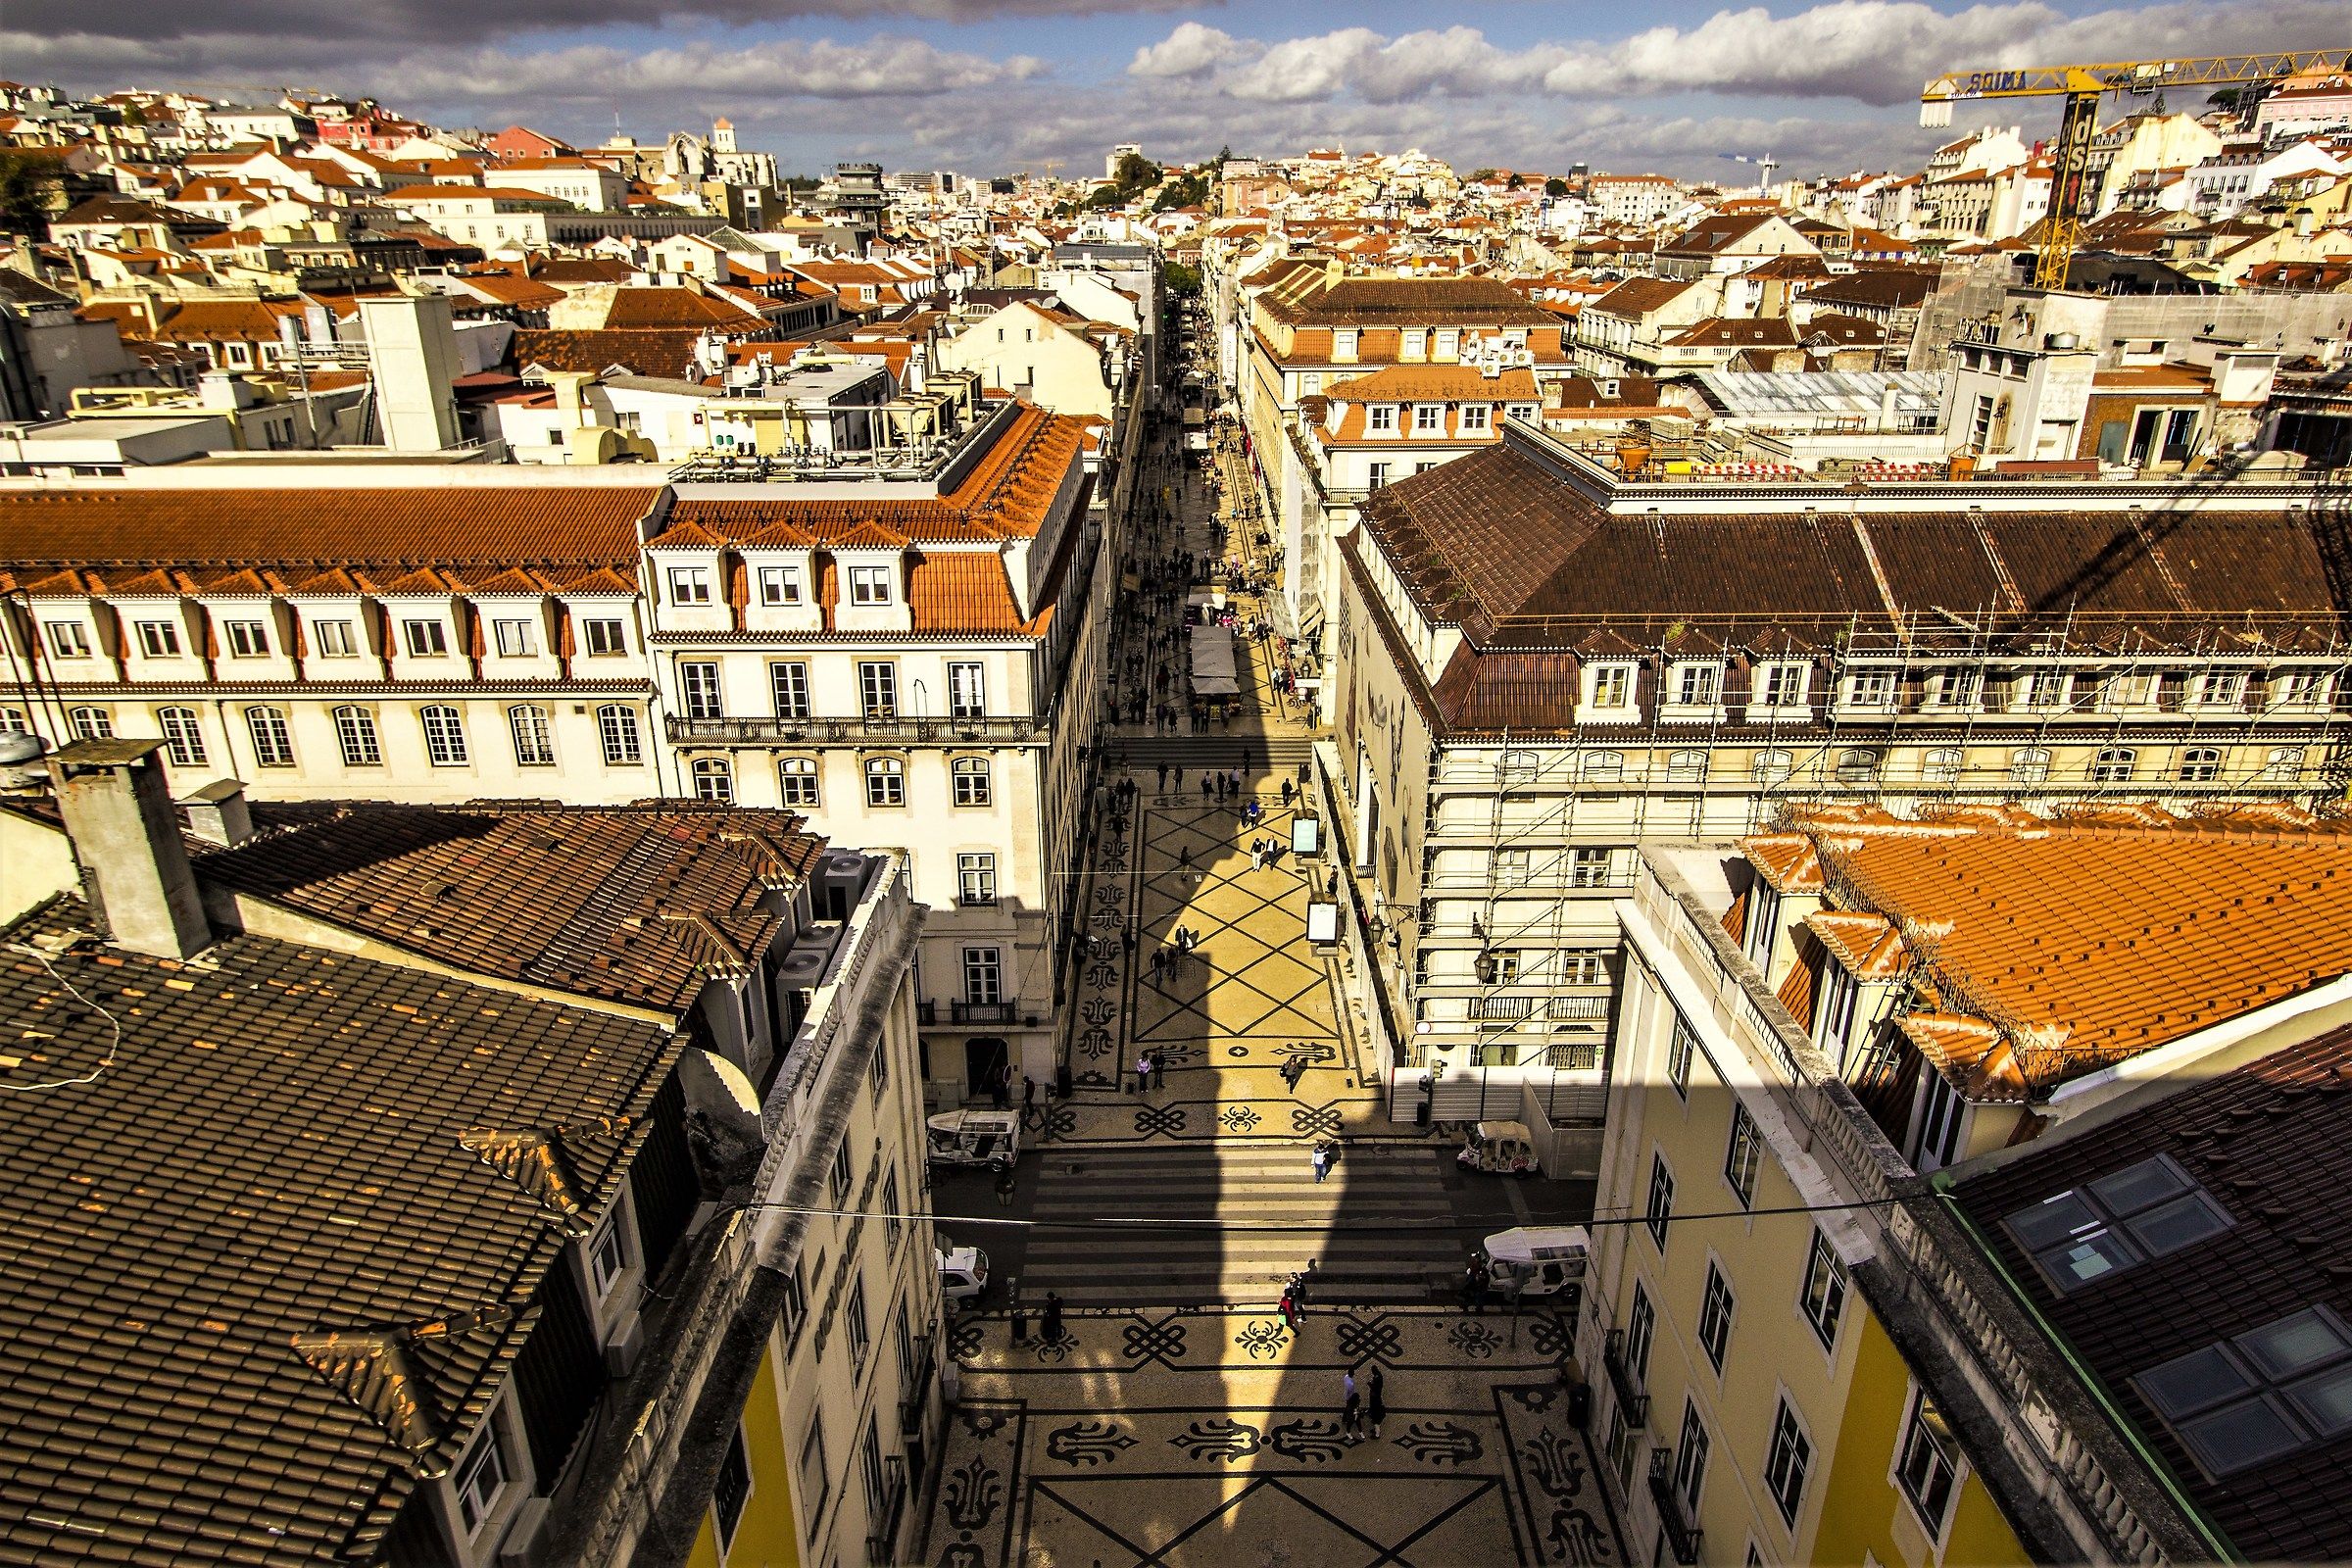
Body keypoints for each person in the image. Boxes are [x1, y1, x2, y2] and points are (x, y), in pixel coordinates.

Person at [1366, 1366, 1387, 1439]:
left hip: (1376, 1413)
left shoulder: (1377, 1378)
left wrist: (1370, 1384)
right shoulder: (1378, 1375)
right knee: (1375, 1420)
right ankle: (1375, 1430)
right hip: (1376, 1399)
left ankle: (1377, 1434)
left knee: (1376, 1422)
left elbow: (1375, 1387)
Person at [1342, 1372, 1361, 1442]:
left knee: (1347, 1408)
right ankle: (1347, 1427)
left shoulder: (1346, 1377)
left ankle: (1344, 1419)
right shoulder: (1351, 1384)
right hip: (1350, 1398)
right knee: (1348, 1409)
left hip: (1348, 1398)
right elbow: (1350, 1392)